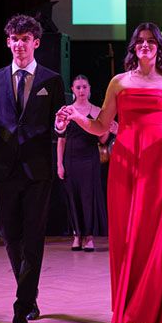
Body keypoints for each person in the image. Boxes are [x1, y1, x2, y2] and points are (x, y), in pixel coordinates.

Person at [62, 23, 162, 323]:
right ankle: (135, 310)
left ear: (159, 47)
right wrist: (76, 116)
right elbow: (102, 127)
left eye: (151, 41)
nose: (145, 45)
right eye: (140, 41)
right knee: (132, 237)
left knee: (161, 235)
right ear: (133, 47)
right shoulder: (118, 83)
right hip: (126, 164)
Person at [0, 14, 69, 323]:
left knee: (34, 237)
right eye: (14, 39)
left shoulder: (51, 79)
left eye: (25, 39)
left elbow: (58, 122)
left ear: (36, 43)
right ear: (8, 42)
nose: (19, 44)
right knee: (10, 236)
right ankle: (30, 294)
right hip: (3, 169)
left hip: (38, 170)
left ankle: (20, 309)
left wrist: (60, 126)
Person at [56, 74, 109, 251]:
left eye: (84, 87)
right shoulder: (67, 110)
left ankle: (89, 237)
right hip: (71, 159)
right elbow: (61, 139)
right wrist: (59, 164)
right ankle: (76, 235)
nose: (81, 90)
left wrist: (107, 127)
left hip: (89, 159)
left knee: (89, 197)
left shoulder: (96, 111)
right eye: (78, 87)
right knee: (73, 196)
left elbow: (102, 139)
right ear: (72, 89)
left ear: (89, 89)